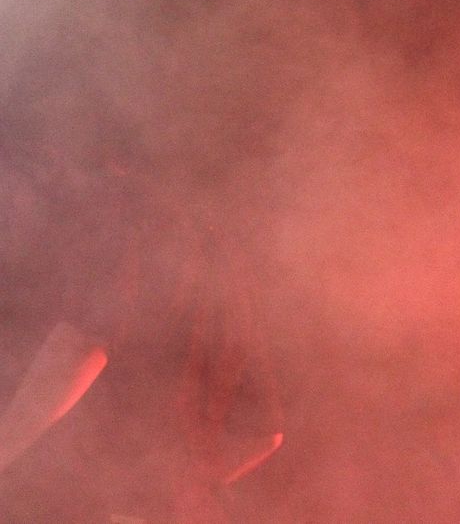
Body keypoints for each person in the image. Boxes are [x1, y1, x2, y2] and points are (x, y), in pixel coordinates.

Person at [0, 113, 284, 524]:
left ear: (47, 160)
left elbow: (79, 349)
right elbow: (265, 435)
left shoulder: (116, 215)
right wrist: (177, 496)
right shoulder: (215, 248)